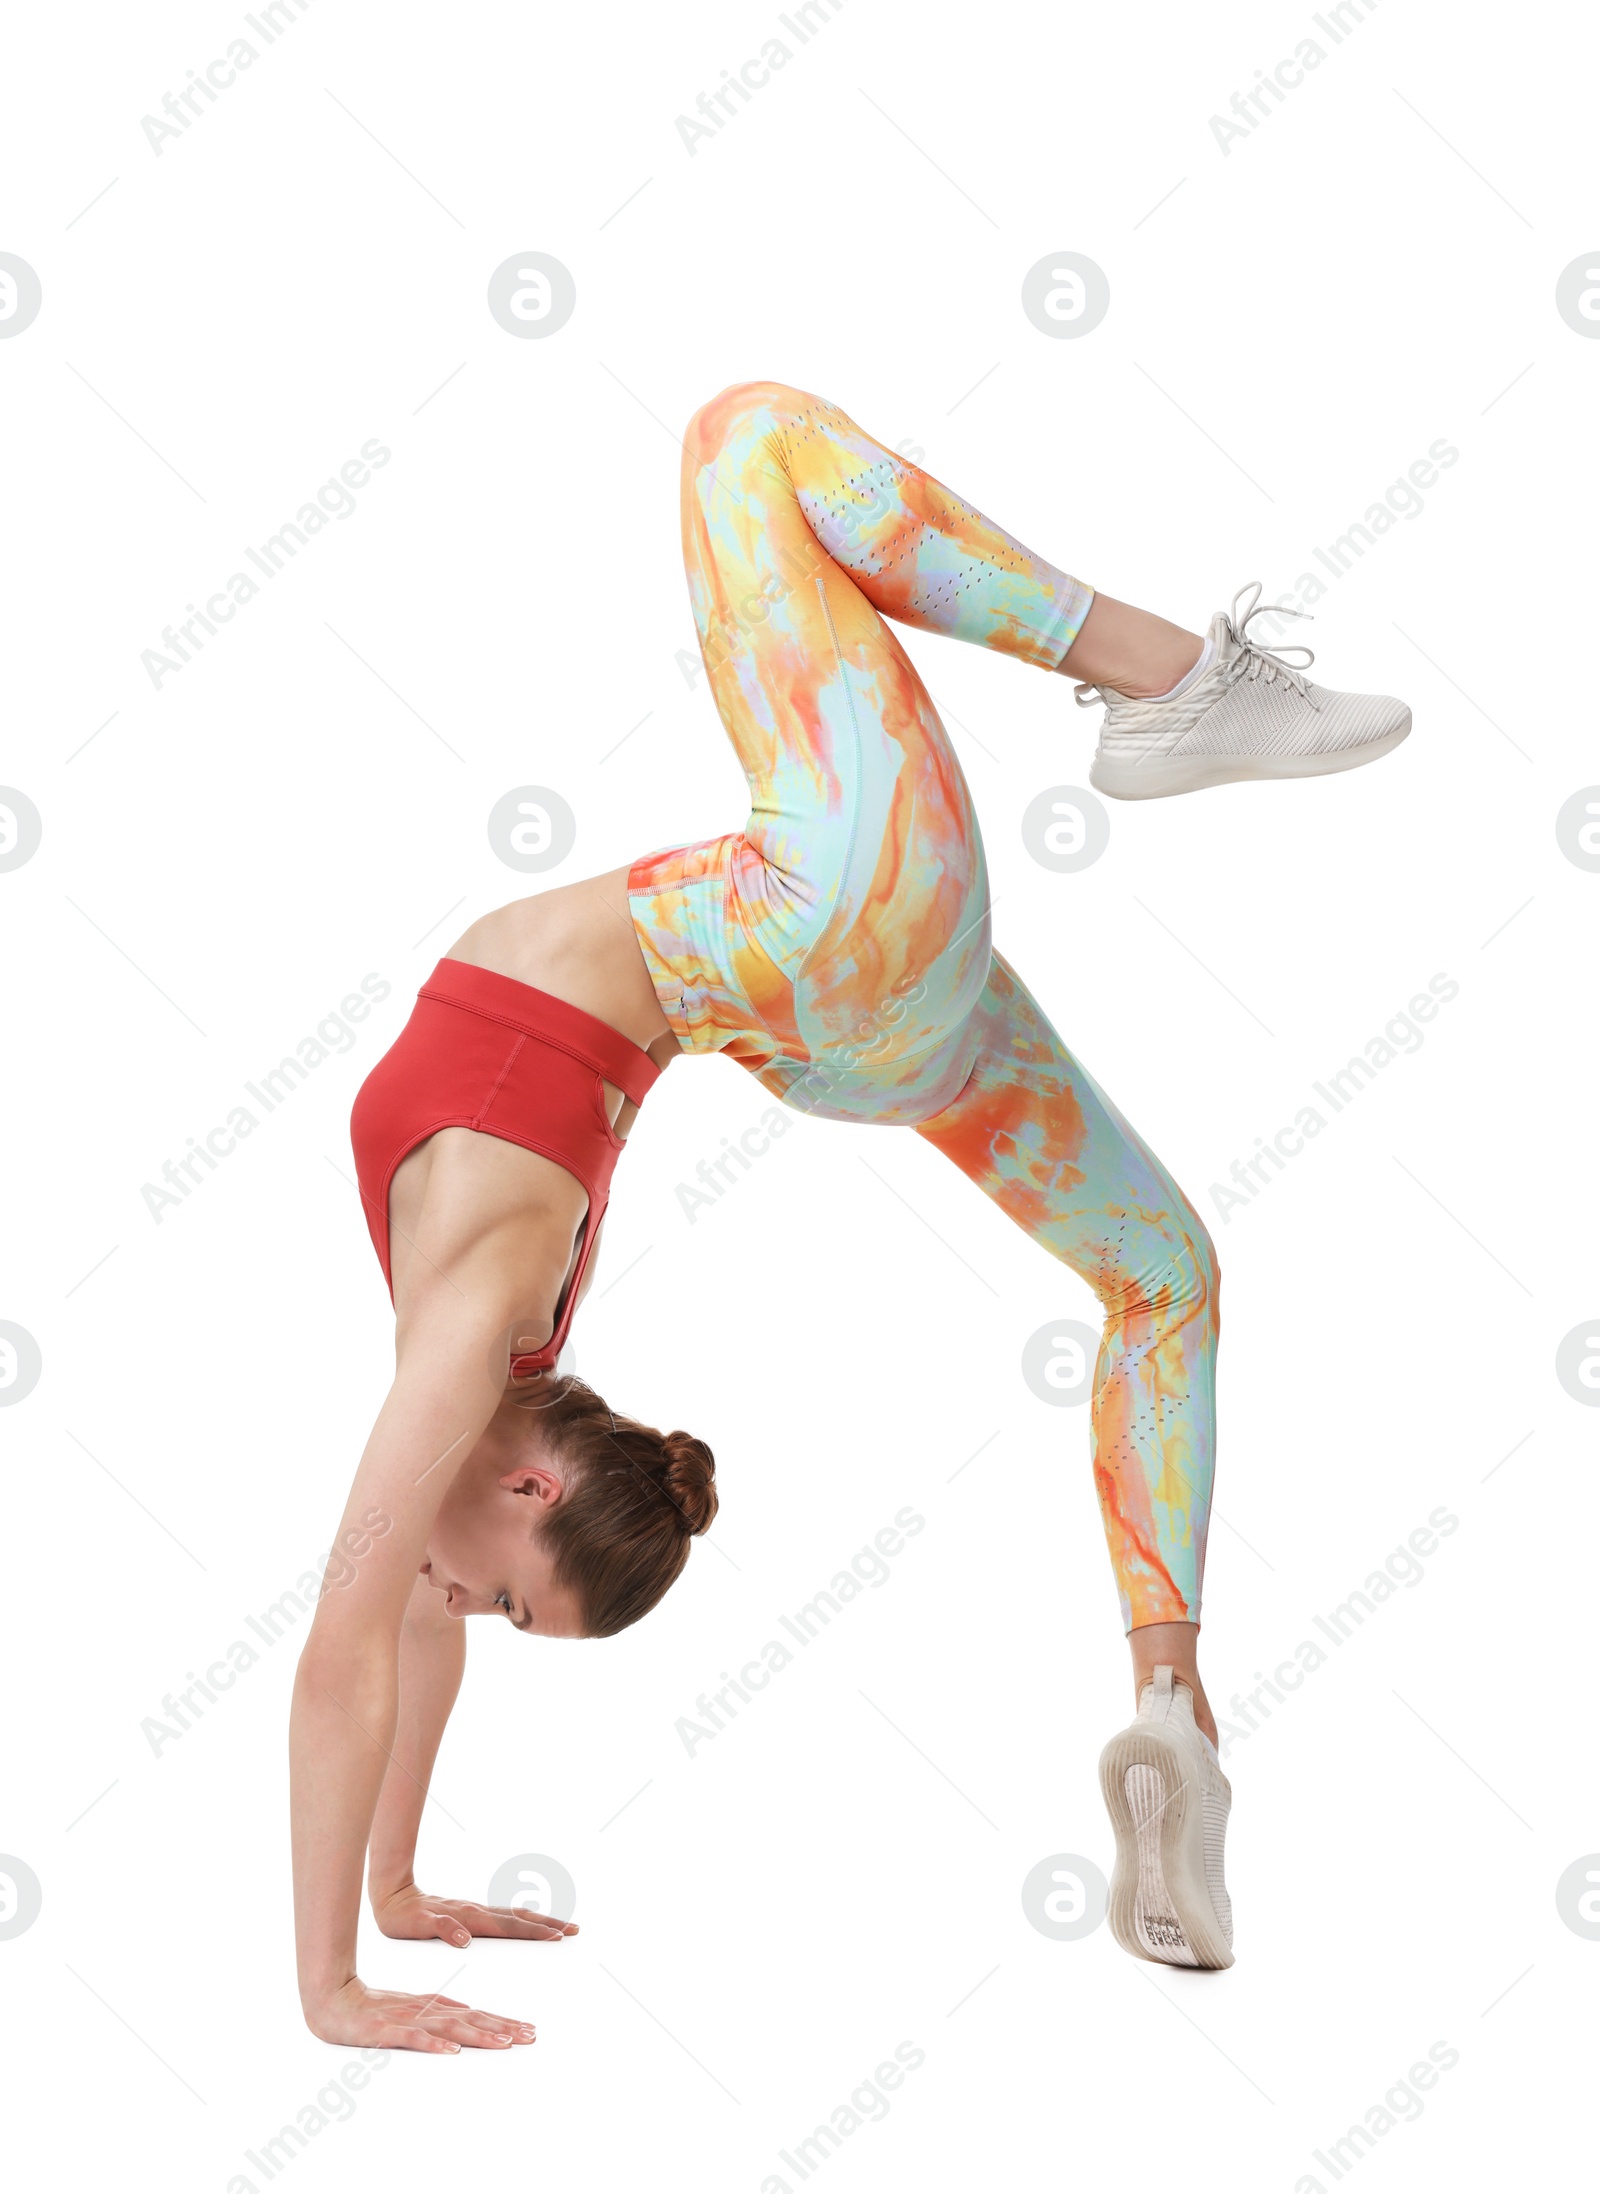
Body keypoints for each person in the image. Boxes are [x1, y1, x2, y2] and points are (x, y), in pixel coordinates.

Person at [291, 382, 1410, 2049]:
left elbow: (356, 1643)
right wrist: (374, 1910)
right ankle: (1172, 683)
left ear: (533, 1481)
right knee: (741, 443)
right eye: (520, 1602)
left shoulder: (476, 1339)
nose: (485, 1617)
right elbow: (391, 1621)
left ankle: (1173, 1701)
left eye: (513, 1605)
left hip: (836, 1019)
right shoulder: (484, 1338)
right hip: (839, 950)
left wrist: (343, 1972)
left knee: (1164, 1273)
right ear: (531, 1474)